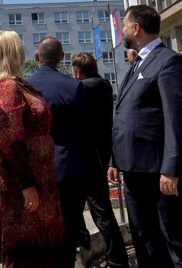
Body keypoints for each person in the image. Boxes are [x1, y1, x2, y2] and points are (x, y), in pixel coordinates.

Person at [0, 30, 64, 268]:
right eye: (19, 46)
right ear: (12, 52)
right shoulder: (7, 87)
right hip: (17, 180)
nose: (24, 51)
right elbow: (11, 139)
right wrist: (26, 184)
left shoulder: (14, 84)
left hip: (28, 175)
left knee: (21, 243)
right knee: (14, 243)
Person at [108, 5, 182, 268]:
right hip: (134, 168)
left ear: (136, 28)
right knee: (145, 238)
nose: (122, 31)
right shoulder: (137, 62)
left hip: (160, 170)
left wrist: (171, 168)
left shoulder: (168, 61)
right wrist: (114, 159)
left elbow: (176, 119)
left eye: (125, 25)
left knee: (176, 237)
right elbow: (125, 114)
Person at [27, 37, 89, 268]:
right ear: (62, 58)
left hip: (34, 171)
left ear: (36, 58)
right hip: (68, 169)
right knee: (68, 231)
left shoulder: (25, 87)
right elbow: (84, 129)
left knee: (40, 234)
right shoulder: (74, 86)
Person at [71, 53, 128, 268]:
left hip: (87, 158)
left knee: (99, 213)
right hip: (101, 155)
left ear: (77, 72)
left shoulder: (82, 89)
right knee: (102, 211)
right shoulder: (104, 85)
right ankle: (115, 256)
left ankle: (115, 258)